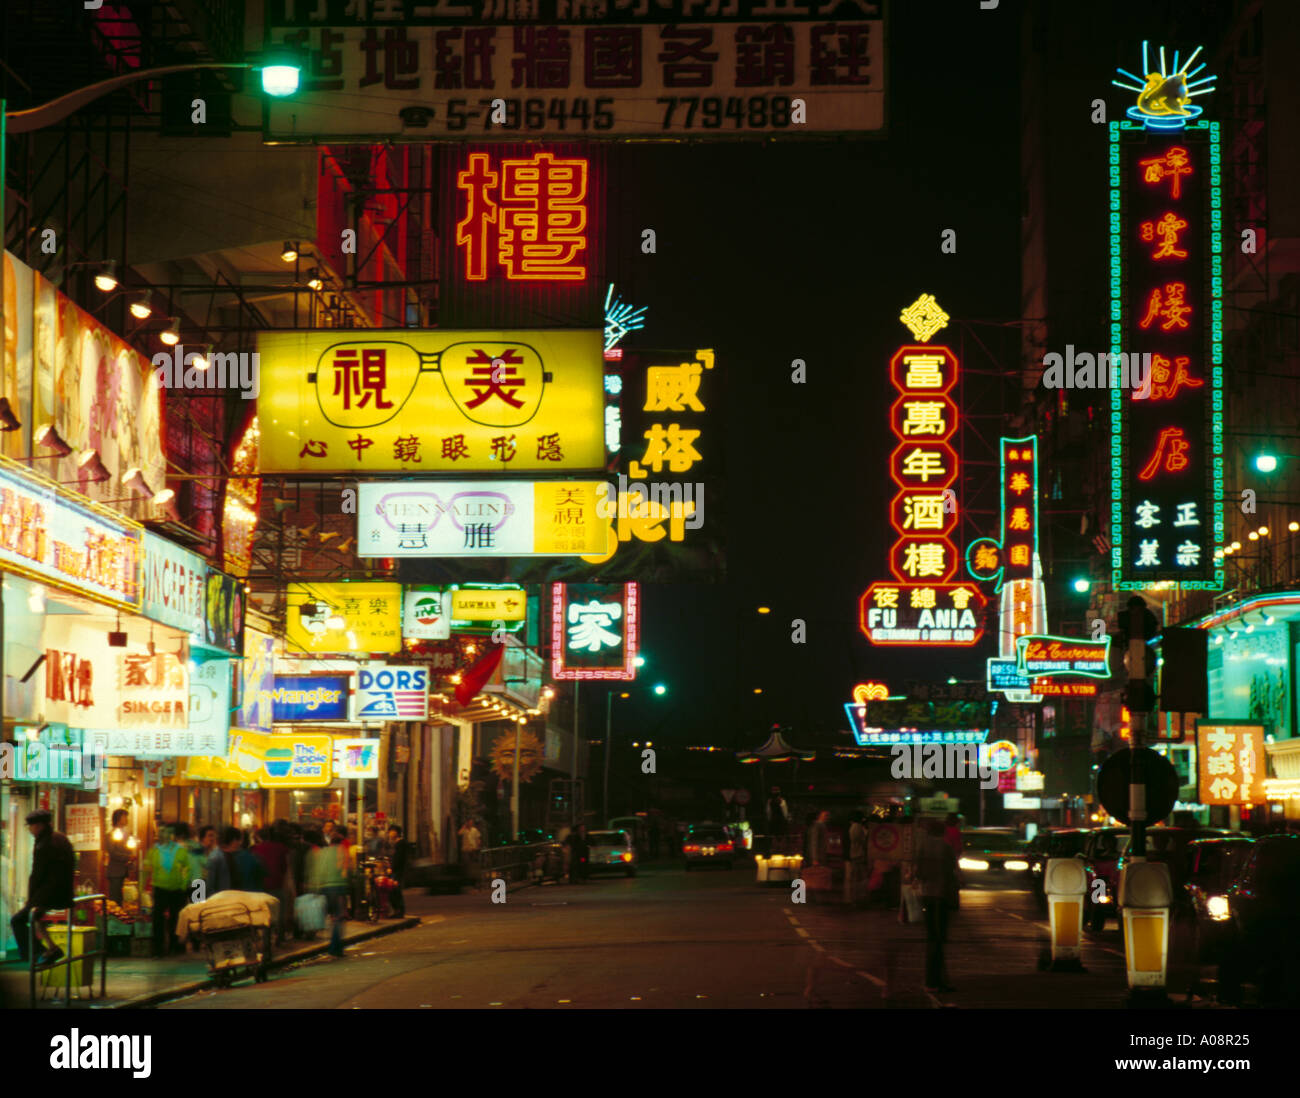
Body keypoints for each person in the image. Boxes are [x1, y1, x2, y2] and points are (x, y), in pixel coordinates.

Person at [11, 810, 75, 966]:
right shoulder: (60, 838)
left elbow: (38, 874)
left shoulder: (44, 844)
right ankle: (52, 948)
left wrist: (31, 899)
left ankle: (37, 953)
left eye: (31, 826)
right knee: (36, 918)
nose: (30, 830)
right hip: (63, 892)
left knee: (17, 920)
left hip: (49, 894)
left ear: (39, 826)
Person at [915, 818, 959, 992]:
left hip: (926, 895)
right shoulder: (946, 848)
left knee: (931, 937)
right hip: (941, 896)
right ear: (943, 832)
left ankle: (931, 979)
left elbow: (919, 872)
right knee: (939, 939)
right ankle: (937, 980)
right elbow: (951, 873)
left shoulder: (922, 847)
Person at [144, 824, 192, 957]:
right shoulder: (153, 851)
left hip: (177, 890)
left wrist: (183, 885)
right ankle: (158, 949)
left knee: (175, 919)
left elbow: (187, 868)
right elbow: (146, 869)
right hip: (159, 888)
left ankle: (175, 946)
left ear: (171, 834)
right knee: (158, 919)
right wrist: (145, 888)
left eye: (164, 832)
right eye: (160, 832)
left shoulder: (180, 850)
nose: (161, 834)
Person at [307, 832, 351, 957]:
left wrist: (315, 888)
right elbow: (346, 871)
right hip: (338, 888)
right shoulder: (342, 852)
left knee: (330, 916)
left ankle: (333, 946)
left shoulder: (322, 853)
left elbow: (317, 871)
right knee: (338, 918)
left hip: (324, 887)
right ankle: (335, 947)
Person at [251, 826, 291, 944]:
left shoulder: (255, 849)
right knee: (279, 912)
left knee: (263, 914)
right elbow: (285, 868)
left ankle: (265, 939)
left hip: (261, 886)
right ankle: (280, 937)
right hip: (278, 884)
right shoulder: (282, 848)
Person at [205, 826, 266, 894]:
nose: (239, 843)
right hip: (228, 897)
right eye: (238, 841)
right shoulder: (217, 857)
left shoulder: (218, 856)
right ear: (234, 840)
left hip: (227, 897)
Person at [105, 808, 133, 904]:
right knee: (114, 899)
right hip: (115, 871)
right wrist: (127, 857)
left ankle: (120, 917)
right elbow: (112, 852)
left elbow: (129, 848)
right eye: (124, 817)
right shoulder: (111, 835)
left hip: (123, 870)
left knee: (120, 899)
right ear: (118, 819)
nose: (126, 819)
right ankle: (113, 918)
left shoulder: (127, 834)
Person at [845, 812, 869, 907]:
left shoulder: (853, 827)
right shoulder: (857, 827)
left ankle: (855, 899)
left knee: (856, 878)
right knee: (859, 878)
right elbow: (861, 841)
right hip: (859, 854)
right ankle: (858, 899)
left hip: (855, 854)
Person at [386, 825, 410, 917]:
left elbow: (399, 859)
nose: (390, 833)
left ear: (397, 832)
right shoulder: (397, 844)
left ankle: (399, 910)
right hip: (396, 870)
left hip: (397, 871)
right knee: (394, 890)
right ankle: (398, 910)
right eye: (390, 831)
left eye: (392, 831)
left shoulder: (401, 844)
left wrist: (391, 868)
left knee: (394, 890)